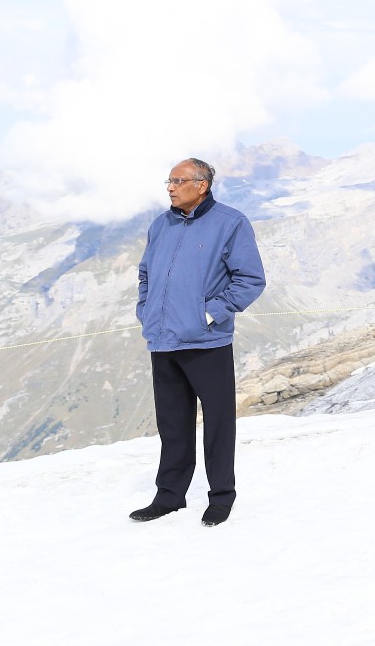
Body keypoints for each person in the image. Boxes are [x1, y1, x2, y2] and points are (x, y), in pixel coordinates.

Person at [129, 158, 267, 527]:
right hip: (162, 340)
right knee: (172, 425)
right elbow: (145, 273)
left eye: (178, 180)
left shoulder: (231, 223)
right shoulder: (162, 224)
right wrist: (145, 309)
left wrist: (208, 314)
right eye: (169, 181)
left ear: (202, 185)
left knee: (218, 423)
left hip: (207, 343)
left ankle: (221, 497)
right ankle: (169, 497)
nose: (171, 187)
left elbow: (250, 279)